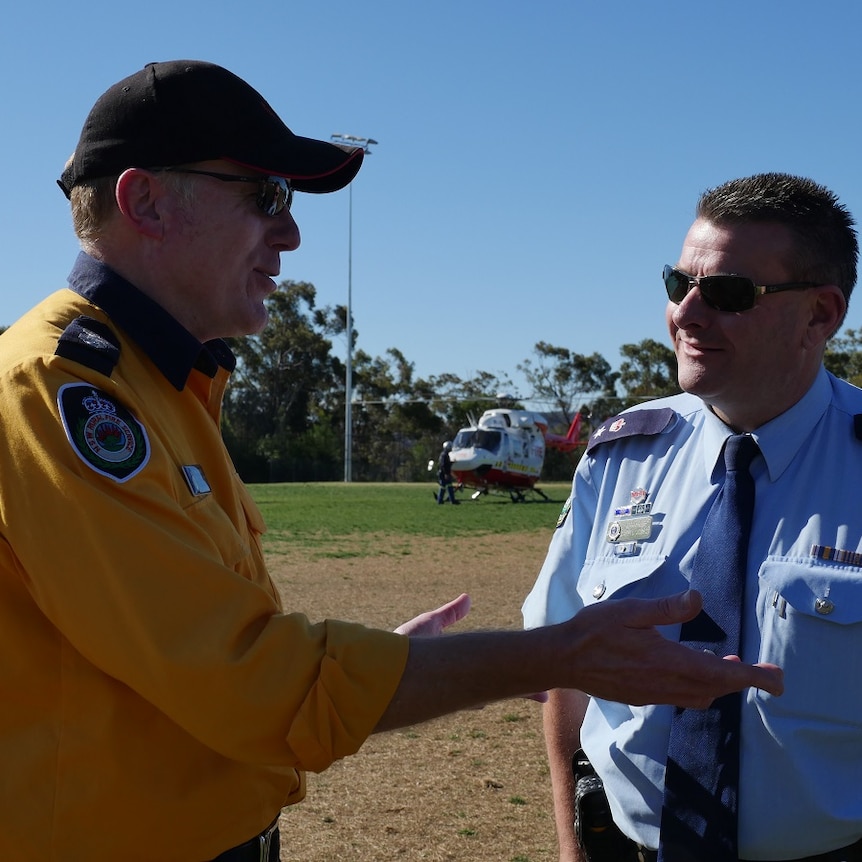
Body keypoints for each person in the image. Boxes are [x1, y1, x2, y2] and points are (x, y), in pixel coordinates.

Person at [0, 60, 782, 861]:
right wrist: (559, 655)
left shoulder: (167, 383)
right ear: (145, 202)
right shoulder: (62, 391)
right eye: (265, 195)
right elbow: (251, 682)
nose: (290, 231)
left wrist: (401, 662)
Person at [523, 172, 861, 862]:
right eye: (680, 285)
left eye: (730, 294)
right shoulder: (623, 454)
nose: (688, 314)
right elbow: (566, 666)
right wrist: (569, 848)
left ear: (821, 315)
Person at [436, 440, 460, 504]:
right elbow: (443, 465)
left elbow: (446, 464)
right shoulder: (444, 455)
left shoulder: (445, 455)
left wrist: (452, 462)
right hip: (444, 474)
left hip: (444, 473)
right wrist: (446, 474)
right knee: (445, 487)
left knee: (448, 487)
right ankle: (442, 500)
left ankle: (448, 500)